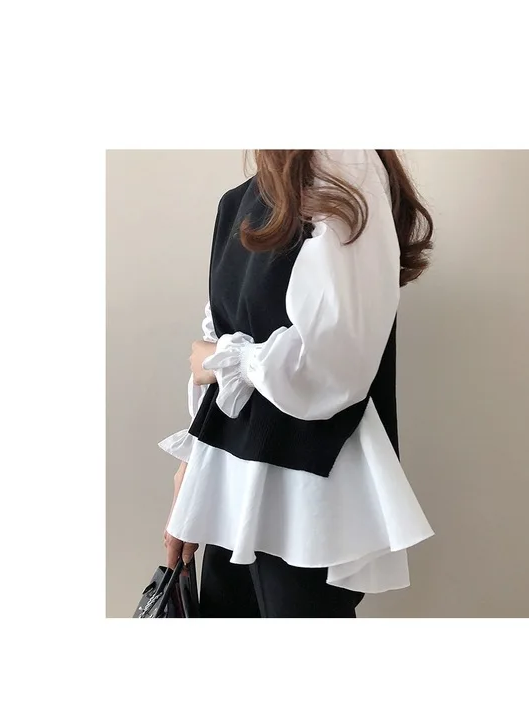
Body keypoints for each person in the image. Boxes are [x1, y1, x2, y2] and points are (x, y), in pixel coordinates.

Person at [160, 150, 433, 615]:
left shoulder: (345, 166)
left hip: (306, 486)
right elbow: (222, 358)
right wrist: (193, 469)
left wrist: (226, 359)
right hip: (232, 485)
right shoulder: (237, 202)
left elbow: (332, 361)